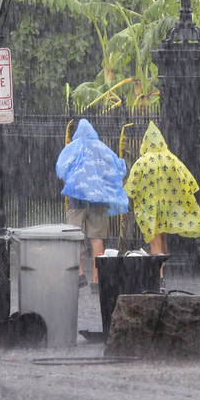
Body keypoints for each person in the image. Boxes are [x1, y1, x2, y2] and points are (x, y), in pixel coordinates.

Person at [124, 121, 200, 276]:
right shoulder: (171, 159)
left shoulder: (142, 162)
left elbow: (131, 187)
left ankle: (158, 276)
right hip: (167, 207)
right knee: (162, 238)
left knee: (155, 240)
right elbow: (188, 181)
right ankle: (162, 271)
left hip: (150, 208)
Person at [55, 118, 129, 288]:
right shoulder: (102, 148)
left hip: (77, 199)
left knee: (74, 238)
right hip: (98, 200)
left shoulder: (72, 148)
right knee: (97, 238)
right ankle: (97, 278)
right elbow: (118, 167)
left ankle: (79, 274)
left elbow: (61, 168)